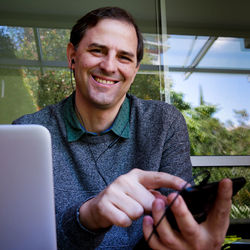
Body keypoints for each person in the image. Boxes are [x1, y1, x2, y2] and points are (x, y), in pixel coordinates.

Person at [13, 6, 233, 250]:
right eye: (97, 51)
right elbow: (21, 239)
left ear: (135, 70)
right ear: (72, 56)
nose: (109, 66)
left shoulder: (164, 122)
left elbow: (176, 225)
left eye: (124, 57)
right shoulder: (28, 130)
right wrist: (87, 218)